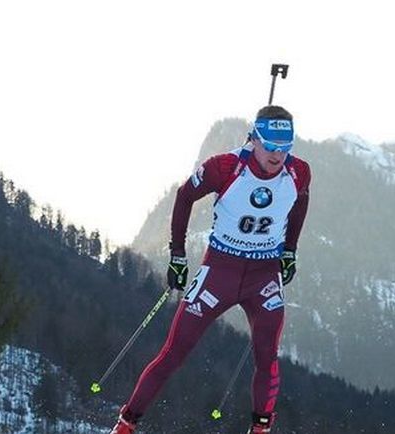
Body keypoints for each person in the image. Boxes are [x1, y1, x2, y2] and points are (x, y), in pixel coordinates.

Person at [110, 105, 311, 434]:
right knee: (175, 351)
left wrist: (290, 250)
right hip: (220, 271)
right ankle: (126, 423)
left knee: (266, 355)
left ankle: (261, 428)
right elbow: (185, 195)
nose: (278, 156)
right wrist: (177, 255)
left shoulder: (299, 171)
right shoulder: (225, 167)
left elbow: (301, 200)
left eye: (285, 148)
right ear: (254, 140)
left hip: (263, 276)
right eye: (271, 146)